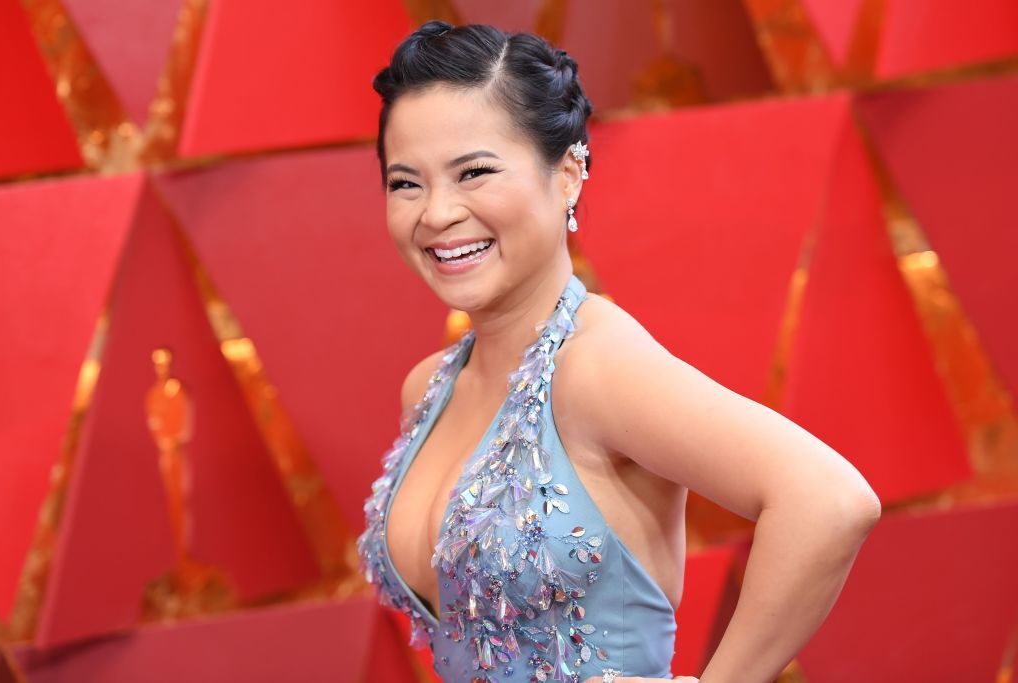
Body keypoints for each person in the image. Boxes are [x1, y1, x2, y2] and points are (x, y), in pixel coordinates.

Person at [356, 20, 881, 683]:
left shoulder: (596, 368)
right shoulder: (428, 387)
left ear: (569, 171)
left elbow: (829, 500)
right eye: (406, 183)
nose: (436, 213)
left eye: (474, 172)